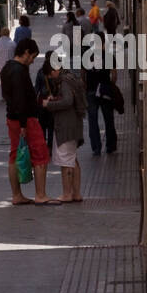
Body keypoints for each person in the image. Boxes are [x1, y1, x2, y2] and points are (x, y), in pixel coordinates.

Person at [0, 39, 58, 205]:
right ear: (25, 52)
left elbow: (7, 95)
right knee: (40, 153)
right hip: (25, 120)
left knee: (14, 154)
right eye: (32, 56)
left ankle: (17, 195)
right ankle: (41, 195)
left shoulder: (7, 67)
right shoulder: (19, 71)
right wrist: (24, 124)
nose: (32, 60)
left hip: (12, 117)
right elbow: (20, 98)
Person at [42, 59, 87, 202]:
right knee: (72, 159)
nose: (50, 78)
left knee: (66, 160)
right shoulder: (70, 78)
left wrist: (50, 103)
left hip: (66, 125)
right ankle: (76, 193)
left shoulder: (65, 82)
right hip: (73, 124)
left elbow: (68, 101)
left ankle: (67, 193)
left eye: (50, 75)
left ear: (55, 70)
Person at [33, 52, 57, 154]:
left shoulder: (40, 72)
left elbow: (37, 88)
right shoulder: (56, 72)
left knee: (42, 126)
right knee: (51, 126)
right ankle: (50, 147)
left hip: (42, 102)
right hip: (52, 102)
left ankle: (43, 146)